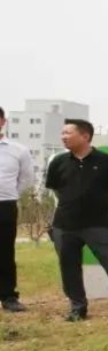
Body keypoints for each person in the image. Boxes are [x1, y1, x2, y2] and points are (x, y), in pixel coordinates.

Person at [44, 119, 108, 322]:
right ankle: (77, 308)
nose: (63, 137)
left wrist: (96, 206)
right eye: (62, 133)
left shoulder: (107, 161)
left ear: (85, 136)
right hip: (65, 224)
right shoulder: (58, 162)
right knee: (69, 266)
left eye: (68, 133)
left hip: (98, 224)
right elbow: (55, 189)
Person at [0, 106, 35, 313]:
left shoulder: (18, 150)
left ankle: (8, 296)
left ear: (3, 122)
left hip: (5, 206)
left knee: (4, 251)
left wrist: (9, 195)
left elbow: (27, 179)